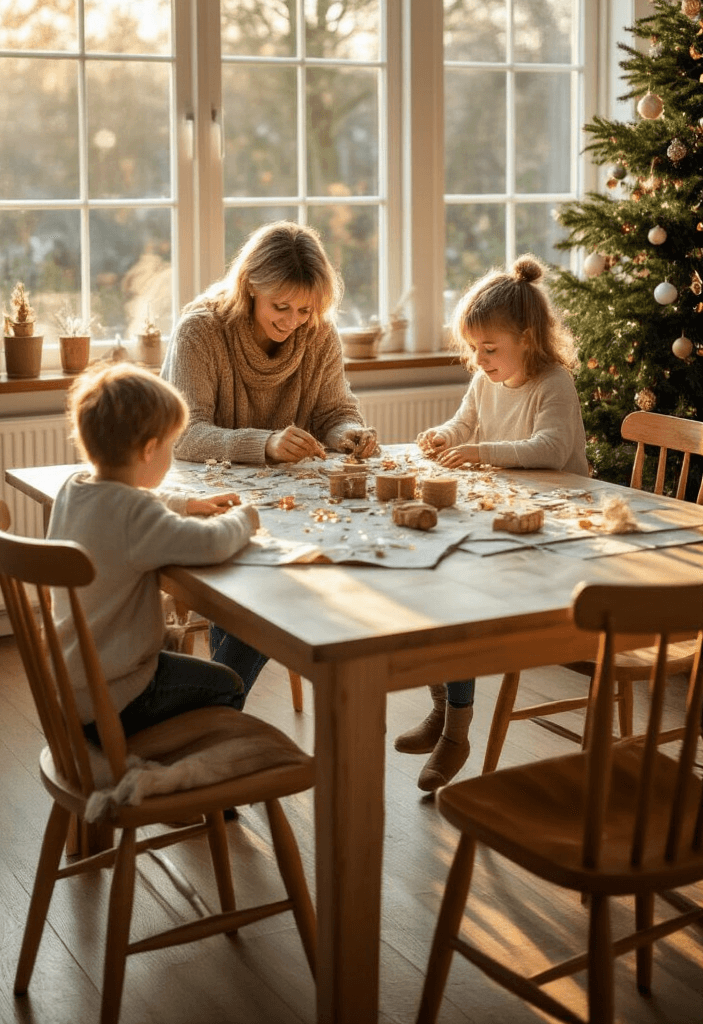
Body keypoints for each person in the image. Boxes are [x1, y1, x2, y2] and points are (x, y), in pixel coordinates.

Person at [395, 254, 588, 794]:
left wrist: (479, 450)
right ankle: (444, 712)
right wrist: (444, 436)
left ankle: (456, 732)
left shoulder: (553, 383)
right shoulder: (485, 382)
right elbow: (464, 424)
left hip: (557, 533)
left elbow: (549, 449)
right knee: (430, 579)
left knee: (456, 596)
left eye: (489, 348)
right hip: (506, 518)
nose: (479, 360)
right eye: (473, 349)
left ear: (527, 338)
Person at [162, 219, 378, 694]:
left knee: (302, 575)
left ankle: (217, 707)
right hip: (205, 496)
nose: (293, 320)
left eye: (305, 309)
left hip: (285, 499)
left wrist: (349, 435)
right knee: (262, 587)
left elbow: (335, 411)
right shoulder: (200, 331)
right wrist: (264, 444)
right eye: (281, 306)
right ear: (249, 287)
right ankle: (217, 709)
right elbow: (184, 435)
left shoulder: (318, 333)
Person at [47, 362, 260, 744]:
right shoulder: (135, 516)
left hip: (71, 685)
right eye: (170, 446)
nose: (171, 456)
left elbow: (135, 500)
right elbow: (210, 544)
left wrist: (188, 502)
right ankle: (200, 773)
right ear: (149, 450)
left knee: (202, 676)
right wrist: (245, 519)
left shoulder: (74, 487)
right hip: (118, 695)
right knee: (228, 684)